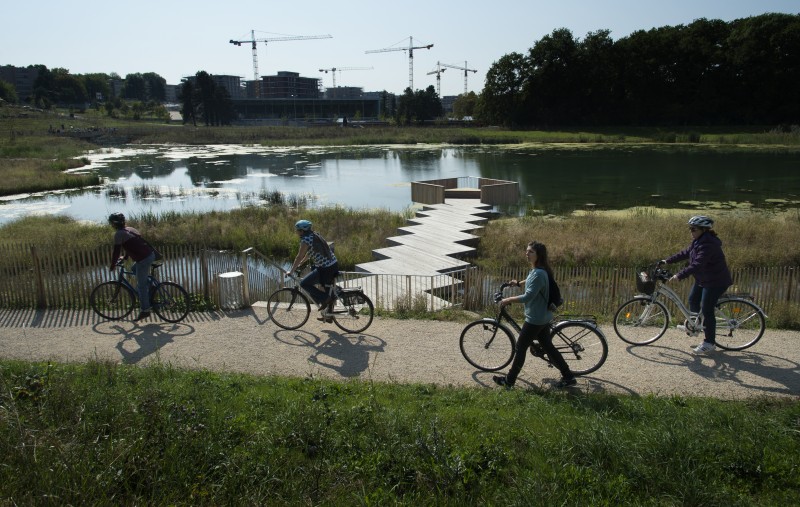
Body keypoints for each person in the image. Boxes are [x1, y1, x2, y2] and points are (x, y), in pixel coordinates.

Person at [492, 241, 576, 389]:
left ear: (538, 255)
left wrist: (507, 300)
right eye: (526, 251)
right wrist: (518, 283)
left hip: (536, 319)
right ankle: (568, 376)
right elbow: (531, 280)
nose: (527, 253)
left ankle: (509, 381)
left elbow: (527, 297)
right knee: (548, 347)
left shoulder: (538, 273)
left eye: (531, 252)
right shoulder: (539, 270)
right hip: (543, 315)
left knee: (520, 347)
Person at [661, 215, 733, 355]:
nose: (691, 231)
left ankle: (709, 342)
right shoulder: (698, 241)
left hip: (716, 282)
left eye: (693, 229)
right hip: (704, 280)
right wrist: (667, 261)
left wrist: (679, 275)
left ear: (704, 230)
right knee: (693, 299)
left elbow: (698, 264)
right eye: (690, 229)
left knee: (707, 309)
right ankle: (696, 325)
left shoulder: (709, 244)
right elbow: (685, 253)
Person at [108, 213, 157, 321]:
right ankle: (151, 284)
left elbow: (116, 252)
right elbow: (133, 245)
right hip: (150, 254)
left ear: (114, 224)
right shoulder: (131, 229)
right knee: (134, 269)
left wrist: (112, 266)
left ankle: (145, 310)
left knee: (141, 286)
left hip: (143, 259)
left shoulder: (118, 234)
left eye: (111, 223)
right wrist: (125, 257)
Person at [288, 219, 339, 321]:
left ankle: (325, 299)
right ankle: (328, 315)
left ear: (302, 231)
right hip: (333, 264)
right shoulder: (315, 235)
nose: (296, 232)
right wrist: (303, 262)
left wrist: (291, 271)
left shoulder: (305, 240)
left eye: (297, 230)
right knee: (328, 290)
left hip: (325, 268)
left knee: (304, 284)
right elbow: (310, 252)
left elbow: (298, 256)